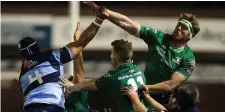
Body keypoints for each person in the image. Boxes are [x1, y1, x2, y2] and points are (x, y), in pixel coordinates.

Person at [84, 1, 200, 107]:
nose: (178, 28)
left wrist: (144, 88)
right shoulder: (159, 38)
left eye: (184, 27)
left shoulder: (188, 58)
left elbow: (170, 85)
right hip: (142, 94)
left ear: (189, 36)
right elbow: (127, 23)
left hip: (163, 101)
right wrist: (106, 12)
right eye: (178, 24)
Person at [18, 15, 104, 112]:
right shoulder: (51, 56)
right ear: (37, 48)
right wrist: (99, 20)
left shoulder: (22, 78)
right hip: (51, 107)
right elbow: (81, 43)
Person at [59, 39, 147, 112]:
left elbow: (85, 83)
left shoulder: (113, 78)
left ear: (116, 57)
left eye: (112, 53)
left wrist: (72, 87)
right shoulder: (138, 71)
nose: (110, 55)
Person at [121, 84, 200, 112]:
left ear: (176, 101)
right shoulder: (192, 108)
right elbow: (163, 111)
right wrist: (147, 96)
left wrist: (134, 98)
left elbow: (143, 111)